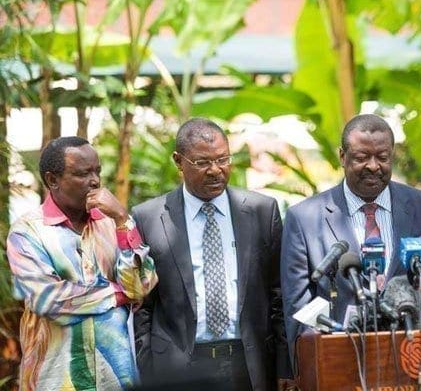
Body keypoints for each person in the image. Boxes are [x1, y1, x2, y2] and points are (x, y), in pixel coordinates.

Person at [132, 117, 293, 390]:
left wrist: (284, 366)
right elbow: (142, 305)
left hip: (248, 363)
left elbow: (278, 295)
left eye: (223, 159)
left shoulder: (261, 211)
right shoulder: (148, 218)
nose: (215, 170)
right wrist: (148, 366)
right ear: (178, 161)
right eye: (202, 162)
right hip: (178, 367)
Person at [281, 113, 421, 363]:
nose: (373, 166)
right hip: (339, 362)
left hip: (412, 358)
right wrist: (316, 363)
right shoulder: (304, 218)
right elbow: (297, 305)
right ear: (342, 157)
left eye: (383, 158)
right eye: (362, 158)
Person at [6, 136, 158, 391]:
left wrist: (122, 219)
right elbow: (48, 300)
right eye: (82, 173)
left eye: (97, 171)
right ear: (52, 180)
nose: (95, 181)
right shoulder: (27, 232)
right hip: (54, 379)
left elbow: (142, 285)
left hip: (116, 380)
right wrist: (118, 294)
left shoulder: (111, 223)